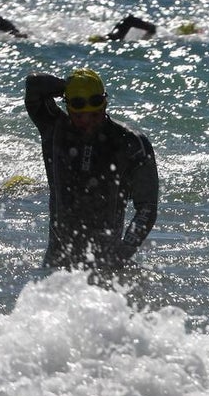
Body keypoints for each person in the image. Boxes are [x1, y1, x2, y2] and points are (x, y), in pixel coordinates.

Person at [25, 68, 159, 270]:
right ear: (68, 108)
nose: (87, 122)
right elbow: (34, 85)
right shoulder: (54, 129)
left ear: (105, 103)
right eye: (80, 116)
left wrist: (123, 252)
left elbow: (147, 207)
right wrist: (68, 85)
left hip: (106, 263)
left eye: (95, 115)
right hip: (57, 264)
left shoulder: (130, 143)